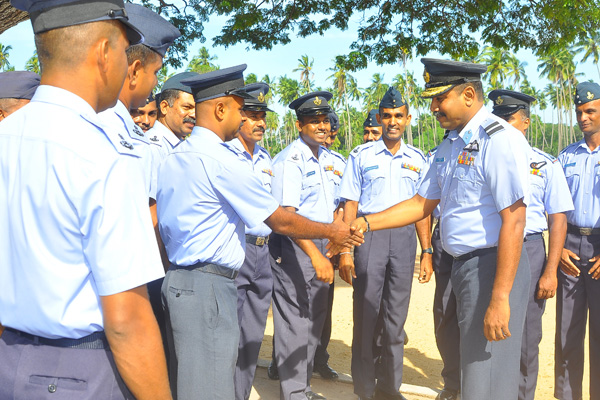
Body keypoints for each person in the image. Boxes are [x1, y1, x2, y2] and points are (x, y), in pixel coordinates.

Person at [156, 65, 363, 400]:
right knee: (210, 387)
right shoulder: (221, 160)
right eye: (240, 109)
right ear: (220, 109)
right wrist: (331, 232)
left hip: (180, 279)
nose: (243, 118)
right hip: (209, 285)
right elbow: (281, 220)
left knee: (191, 381)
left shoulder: (177, 155)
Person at [0, 1, 171, 399]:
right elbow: (127, 318)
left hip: (9, 361)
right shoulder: (100, 155)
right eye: (126, 52)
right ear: (104, 52)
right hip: (79, 372)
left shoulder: (7, 135)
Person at [347, 58, 531, 400]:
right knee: (473, 376)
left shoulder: (498, 139)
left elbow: (515, 219)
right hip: (464, 267)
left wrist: (500, 297)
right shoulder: (450, 145)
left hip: (493, 267)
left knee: (487, 380)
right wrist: (366, 221)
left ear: (469, 95)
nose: (432, 107)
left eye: (439, 98)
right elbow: (420, 204)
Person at [338, 86, 432, 400]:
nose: (393, 121)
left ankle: (389, 388)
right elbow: (350, 204)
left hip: (404, 241)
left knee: (395, 318)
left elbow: (422, 208)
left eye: (399, 116)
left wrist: (427, 251)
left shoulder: (417, 158)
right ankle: (365, 389)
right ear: (380, 118)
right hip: (368, 237)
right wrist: (347, 249)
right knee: (366, 314)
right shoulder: (361, 156)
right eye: (388, 116)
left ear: (408, 119)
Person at [488, 89, 573, 400]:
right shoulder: (485, 159)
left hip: (530, 250)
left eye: (509, 119)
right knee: (489, 327)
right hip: (491, 249)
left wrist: (550, 271)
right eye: (498, 119)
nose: (502, 126)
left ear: (525, 122)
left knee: (526, 334)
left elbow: (558, 219)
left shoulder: (545, 164)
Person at [269, 91, 342, 400]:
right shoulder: (291, 160)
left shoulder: (327, 158)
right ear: (300, 125)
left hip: (323, 244)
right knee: (296, 321)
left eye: (325, 120)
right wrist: (315, 255)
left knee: (315, 319)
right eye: (314, 121)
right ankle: (294, 392)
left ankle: (303, 384)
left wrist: (336, 242)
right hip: (296, 246)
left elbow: (335, 206)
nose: (322, 126)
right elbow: (287, 218)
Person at [225, 82, 277, 400]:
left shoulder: (265, 158)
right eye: (253, 115)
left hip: (263, 251)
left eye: (263, 116)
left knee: (253, 335)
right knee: (228, 334)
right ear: (239, 116)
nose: (260, 122)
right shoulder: (226, 155)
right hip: (236, 247)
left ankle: (240, 395)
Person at [556, 81, 600, 400]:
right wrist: (558, 248)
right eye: (579, 112)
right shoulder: (565, 157)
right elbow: (554, 208)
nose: (583, 117)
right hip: (570, 246)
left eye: (590, 111)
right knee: (567, 331)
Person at [425, 144, 460, 400]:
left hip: (480, 240)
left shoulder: (487, 148)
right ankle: (452, 381)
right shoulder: (436, 156)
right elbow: (423, 204)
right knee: (445, 311)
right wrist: (426, 250)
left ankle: (474, 382)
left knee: (475, 313)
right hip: (443, 236)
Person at [313, 111, 345, 381]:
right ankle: (280, 359)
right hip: (302, 236)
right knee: (293, 303)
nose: (328, 140)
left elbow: (344, 203)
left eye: (332, 135)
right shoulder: (298, 158)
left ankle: (319, 359)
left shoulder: (339, 163)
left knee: (324, 304)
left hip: (329, 241)